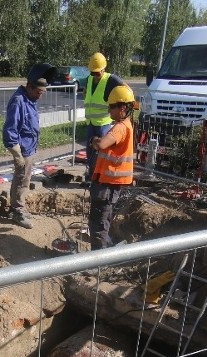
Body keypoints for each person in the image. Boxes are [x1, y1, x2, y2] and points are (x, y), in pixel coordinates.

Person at [2, 63, 55, 229]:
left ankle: (19, 206)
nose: (40, 96)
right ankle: (17, 211)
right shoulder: (18, 101)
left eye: (42, 93)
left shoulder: (29, 99)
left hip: (29, 147)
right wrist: (17, 154)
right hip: (22, 149)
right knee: (21, 180)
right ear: (30, 87)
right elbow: (10, 129)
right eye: (38, 92)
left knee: (25, 179)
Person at [88, 85, 135, 250]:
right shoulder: (126, 125)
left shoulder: (121, 128)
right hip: (108, 182)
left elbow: (101, 144)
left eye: (112, 106)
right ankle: (103, 250)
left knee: (99, 223)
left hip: (108, 184)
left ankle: (97, 261)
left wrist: (94, 140)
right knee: (100, 220)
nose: (109, 110)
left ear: (122, 108)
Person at [83, 52, 125, 184]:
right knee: (90, 152)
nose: (94, 75)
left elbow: (126, 91)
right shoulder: (89, 79)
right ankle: (91, 177)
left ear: (103, 69)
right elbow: (87, 93)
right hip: (91, 122)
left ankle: (101, 178)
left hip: (103, 124)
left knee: (102, 153)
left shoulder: (111, 80)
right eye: (92, 72)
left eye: (97, 73)